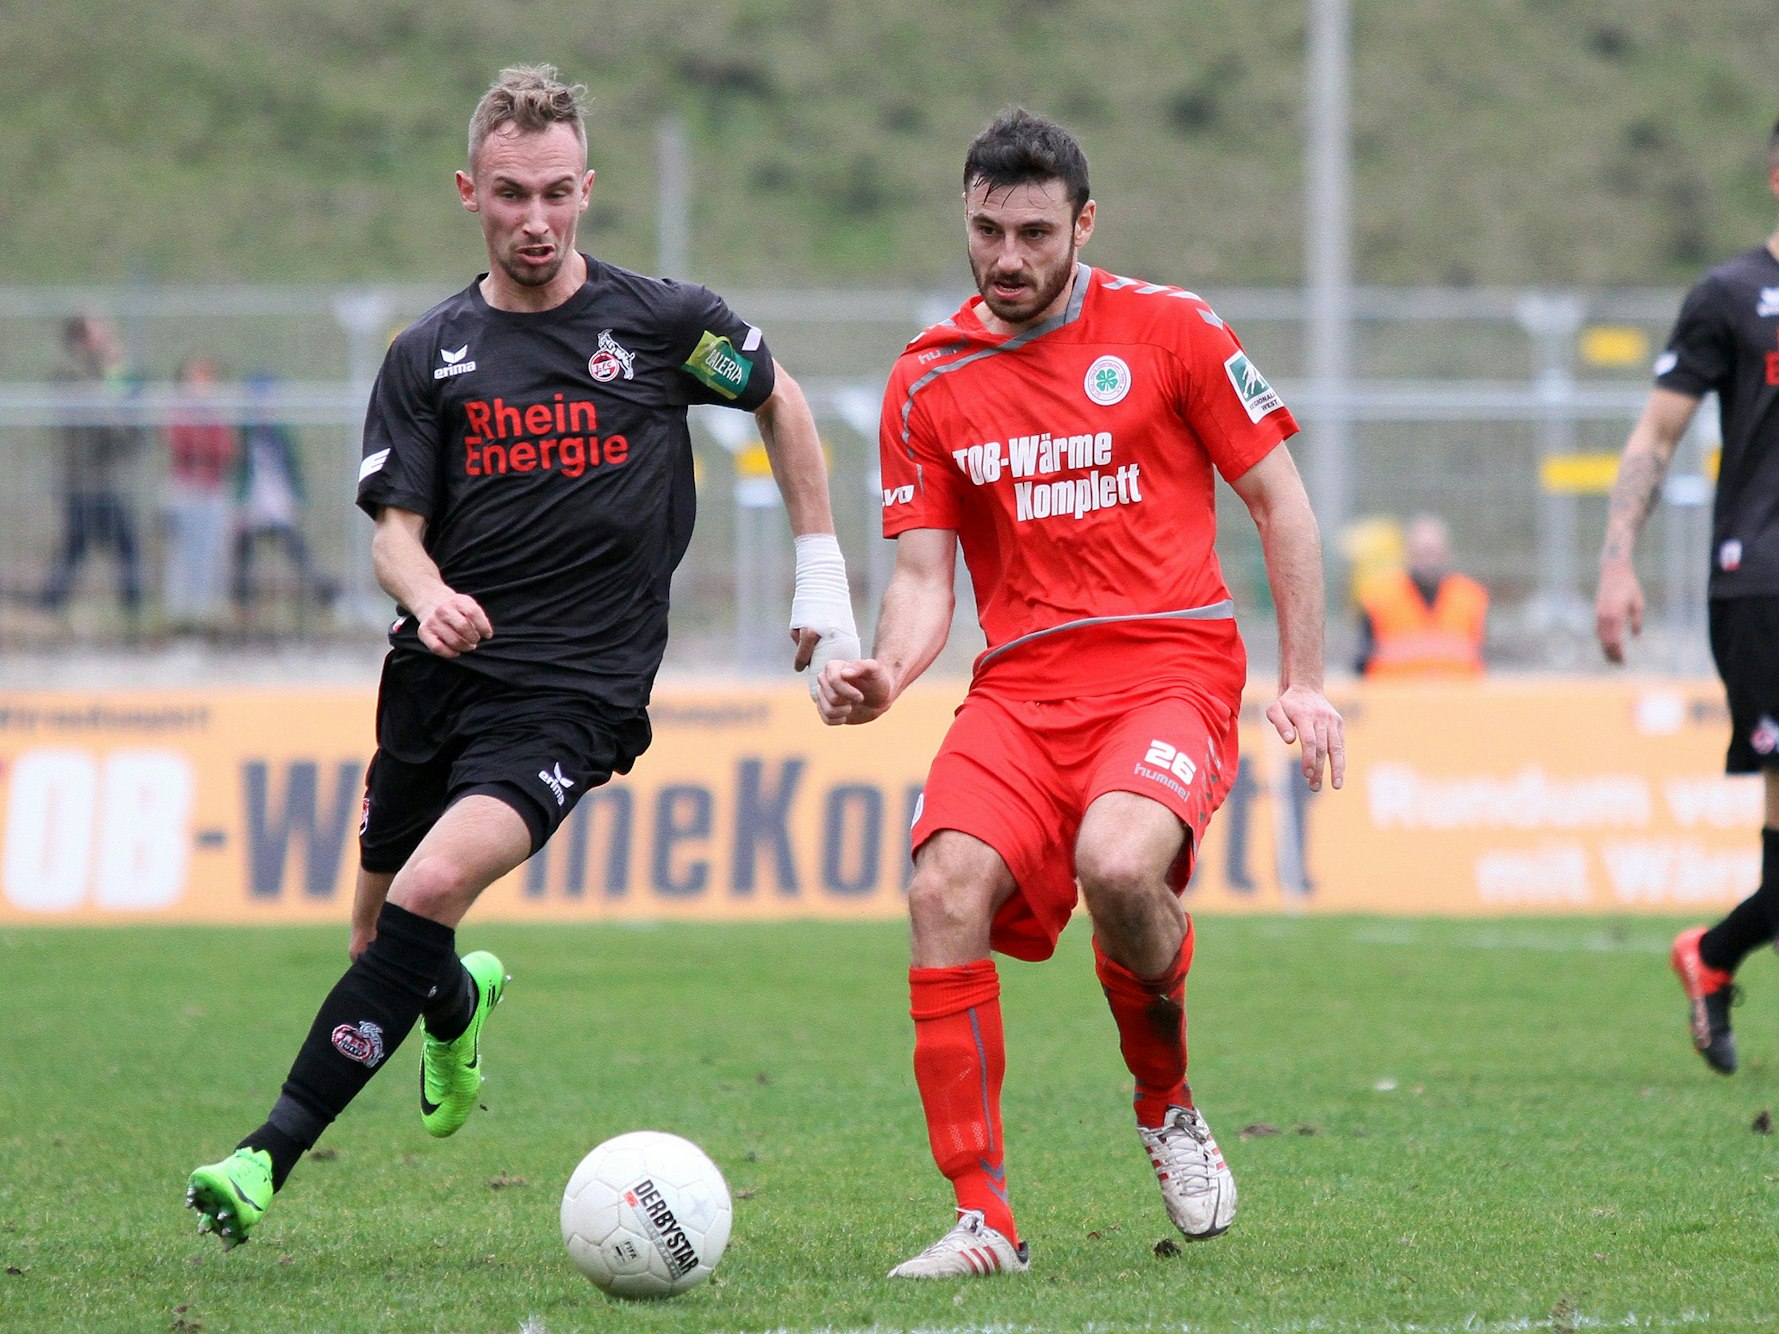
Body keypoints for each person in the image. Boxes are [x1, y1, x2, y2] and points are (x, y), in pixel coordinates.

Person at [185, 64, 858, 1248]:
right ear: (469, 192)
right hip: (435, 677)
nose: (535, 221)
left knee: (434, 890)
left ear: (587, 189)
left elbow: (781, 398)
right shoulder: (430, 354)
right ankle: (460, 1000)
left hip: (574, 694)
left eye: (555, 193)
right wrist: (432, 591)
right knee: (383, 942)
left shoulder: (659, 328)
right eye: (510, 195)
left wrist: (820, 577)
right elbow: (394, 532)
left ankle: (263, 1155)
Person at [815, 108, 1345, 1278]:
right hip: (1020, 688)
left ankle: (1166, 1100)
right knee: (940, 886)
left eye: (1036, 232)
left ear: (1084, 225)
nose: (1008, 256)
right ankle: (983, 1216)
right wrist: (885, 673)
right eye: (988, 229)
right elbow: (920, 581)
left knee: (1118, 862)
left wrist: (1306, 680)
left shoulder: (1171, 332)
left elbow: (1283, 504)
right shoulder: (928, 379)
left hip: (1169, 665)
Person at [1595, 116, 1779, 1078]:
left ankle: (1709, 957)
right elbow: (1654, 437)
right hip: (1762, 586)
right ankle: (1710, 958)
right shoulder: (1730, 295)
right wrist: (1617, 557)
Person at [39, 315, 145, 627]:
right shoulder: (70, 373)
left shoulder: (96, 371)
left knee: (81, 545)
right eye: (100, 332)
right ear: (82, 339)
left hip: (99, 477)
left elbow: (123, 412)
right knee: (115, 543)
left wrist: (117, 377)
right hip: (84, 479)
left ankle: (50, 604)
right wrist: (113, 375)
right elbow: (106, 416)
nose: (107, 337)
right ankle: (130, 609)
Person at [229, 372, 339, 621]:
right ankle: (243, 606)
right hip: (251, 503)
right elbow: (237, 471)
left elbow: (291, 469)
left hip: (277, 503)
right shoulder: (245, 433)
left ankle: (324, 596)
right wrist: (237, 504)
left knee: (297, 551)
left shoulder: (280, 434)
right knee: (243, 554)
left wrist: (296, 499)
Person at [1354, 513, 1488, 677]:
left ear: (1448, 553)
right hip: (1394, 698)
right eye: (1421, 552)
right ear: (1407, 554)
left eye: (1433, 552)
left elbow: (1481, 652)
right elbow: (1361, 659)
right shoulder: (1379, 596)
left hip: (1457, 698)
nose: (1428, 561)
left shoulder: (1470, 596)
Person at [162, 356, 239, 632]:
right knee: (184, 553)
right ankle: (180, 612)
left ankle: (208, 612)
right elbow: (181, 444)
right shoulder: (180, 413)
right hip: (186, 489)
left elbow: (226, 449)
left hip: (212, 489)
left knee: (212, 553)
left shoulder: (218, 414)